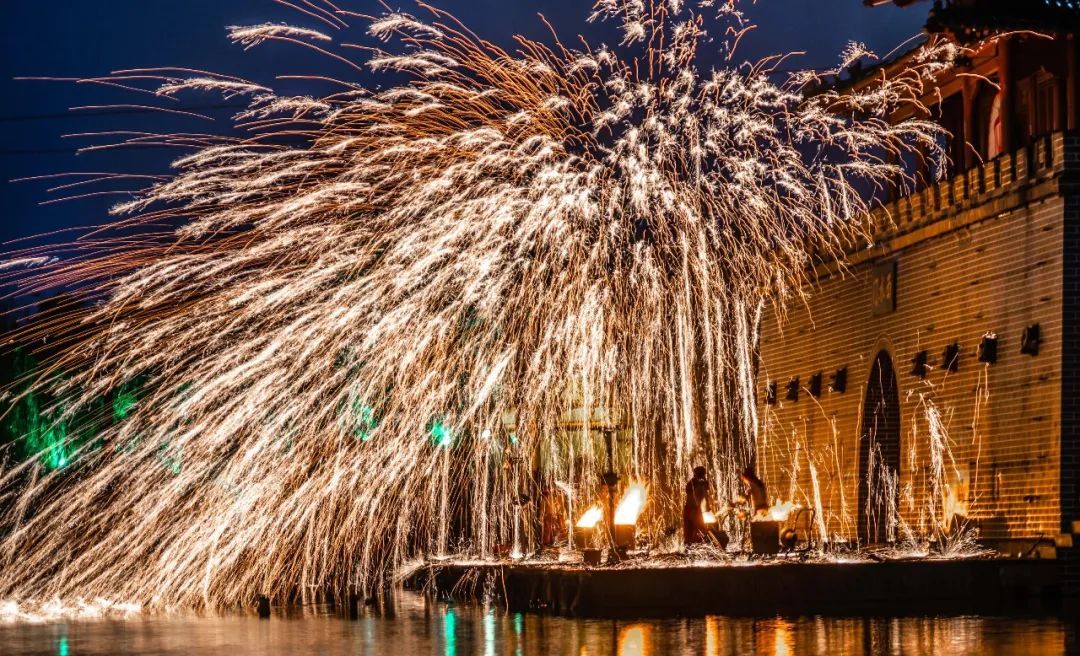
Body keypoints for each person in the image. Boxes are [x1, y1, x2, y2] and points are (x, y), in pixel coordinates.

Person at [683, 465, 710, 546]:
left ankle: (689, 545)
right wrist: (707, 508)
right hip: (695, 510)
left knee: (690, 530)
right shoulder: (700, 483)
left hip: (689, 509)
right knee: (698, 528)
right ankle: (697, 544)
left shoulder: (692, 483)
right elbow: (703, 497)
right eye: (703, 474)